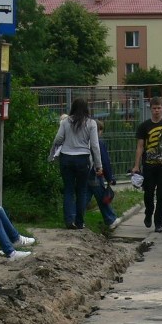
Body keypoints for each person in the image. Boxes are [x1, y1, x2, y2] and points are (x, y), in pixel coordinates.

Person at [49, 98, 103, 230]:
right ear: (86, 109)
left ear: (72, 108)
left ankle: (68, 220)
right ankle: (80, 222)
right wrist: (98, 165)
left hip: (66, 158)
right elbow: (95, 146)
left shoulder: (65, 122)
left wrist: (53, 154)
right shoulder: (91, 123)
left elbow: (58, 138)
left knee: (68, 189)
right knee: (81, 190)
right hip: (83, 159)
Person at [131, 96, 162, 233]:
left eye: (159, 108)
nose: (157, 110)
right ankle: (148, 213)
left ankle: (159, 222)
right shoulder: (144, 126)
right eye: (154, 108)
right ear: (150, 109)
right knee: (149, 193)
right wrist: (136, 166)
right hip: (149, 165)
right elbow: (140, 146)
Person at [84, 120, 121, 229]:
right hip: (96, 173)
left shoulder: (84, 141)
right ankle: (111, 220)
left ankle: (75, 217)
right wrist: (110, 178)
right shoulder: (99, 143)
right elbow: (105, 161)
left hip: (85, 172)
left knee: (84, 197)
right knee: (102, 197)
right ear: (99, 131)